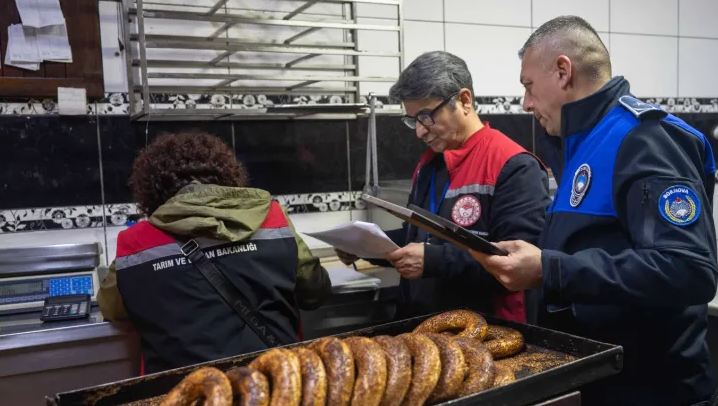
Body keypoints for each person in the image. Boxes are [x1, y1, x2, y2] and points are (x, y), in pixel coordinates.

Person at [470, 17, 718, 406]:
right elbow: (598, 248)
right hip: (604, 397)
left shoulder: (643, 139)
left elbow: (688, 268)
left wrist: (548, 268)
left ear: (563, 71)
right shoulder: (586, 142)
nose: (525, 102)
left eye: (528, 85)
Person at [338, 51, 551, 322]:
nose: (419, 131)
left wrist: (433, 260)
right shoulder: (429, 165)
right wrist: (365, 246)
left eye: (426, 116)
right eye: (412, 120)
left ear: (464, 100)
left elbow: (517, 263)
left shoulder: (515, 167)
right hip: (422, 328)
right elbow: (417, 237)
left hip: (485, 334)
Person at [98, 131, 331, 374]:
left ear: (151, 188)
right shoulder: (273, 219)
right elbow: (316, 291)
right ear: (228, 174)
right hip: (276, 390)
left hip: (186, 401)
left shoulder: (135, 244)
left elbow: (111, 309)